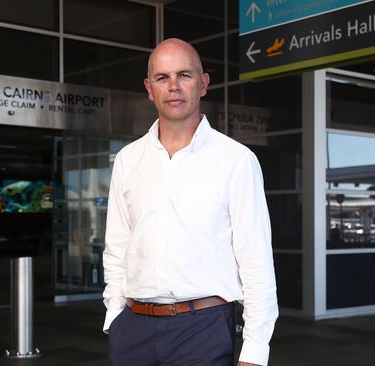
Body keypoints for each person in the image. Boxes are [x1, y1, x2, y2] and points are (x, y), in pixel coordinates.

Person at [103, 38, 278, 366]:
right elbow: (117, 247)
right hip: (133, 329)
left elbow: (256, 262)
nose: (173, 86)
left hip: (203, 329)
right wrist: (115, 317)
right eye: (162, 77)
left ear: (203, 84)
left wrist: (255, 350)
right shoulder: (128, 160)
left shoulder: (236, 161)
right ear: (149, 88)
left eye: (184, 75)